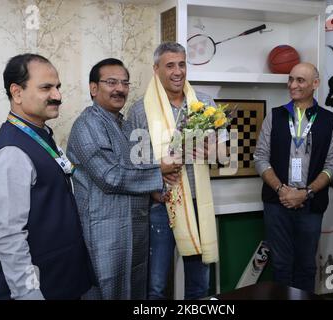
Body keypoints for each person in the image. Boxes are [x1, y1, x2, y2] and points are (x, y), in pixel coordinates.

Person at [0, 53, 94, 299]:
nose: (57, 96)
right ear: (17, 92)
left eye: (58, 87)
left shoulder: (40, 135)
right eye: (46, 88)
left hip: (59, 281)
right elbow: (10, 237)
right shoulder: (11, 152)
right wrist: (28, 293)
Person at [66, 58, 165, 299]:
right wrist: (160, 172)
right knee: (107, 289)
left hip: (135, 227)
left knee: (136, 287)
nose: (119, 89)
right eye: (111, 82)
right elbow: (110, 177)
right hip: (105, 229)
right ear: (93, 88)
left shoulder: (127, 125)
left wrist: (160, 189)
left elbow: (142, 165)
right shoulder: (86, 125)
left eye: (124, 83)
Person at [128, 42, 219, 300]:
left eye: (182, 64)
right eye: (170, 65)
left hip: (198, 203)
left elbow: (225, 152)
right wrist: (157, 177)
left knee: (200, 286)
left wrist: (212, 152)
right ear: (156, 69)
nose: (178, 71)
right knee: (156, 286)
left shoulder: (203, 103)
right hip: (160, 205)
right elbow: (132, 164)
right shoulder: (139, 110)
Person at [254, 62, 333, 292]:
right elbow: (260, 158)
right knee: (281, 266)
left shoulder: (330, 121)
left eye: (300, 80)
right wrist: (282, 190)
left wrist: (306, 192)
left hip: (310, 205)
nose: (293, 85)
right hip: (277, 203)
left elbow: (332, 166)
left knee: (306, 267)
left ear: (315, 84)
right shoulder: (276, 116)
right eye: (291, 79)